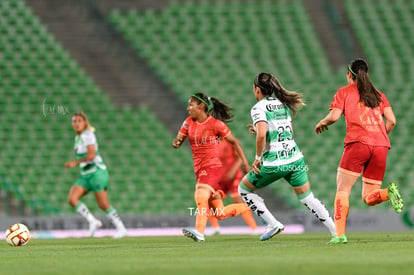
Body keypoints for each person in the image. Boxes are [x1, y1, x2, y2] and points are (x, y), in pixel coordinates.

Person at [238, 72, 336, 241]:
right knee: (307, 198)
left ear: (257, 90)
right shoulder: (283, 105)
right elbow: (288, 131)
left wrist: (257, 158)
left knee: (244, 190)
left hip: (274, 162)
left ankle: (273, 224)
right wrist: (263, 131)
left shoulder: (258, 108)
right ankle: (336, 232)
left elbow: (262, 136)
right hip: (295, 159)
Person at [315, 58, 404, 244]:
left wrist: (322, 122)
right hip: (381, 146)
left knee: (343, 190)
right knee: (368, 197)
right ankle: (388, 192)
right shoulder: (378, 94)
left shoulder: (344, 92)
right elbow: (392, 121)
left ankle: (339, 235)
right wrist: (378, 136)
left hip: (358, 144)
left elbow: (334, 116)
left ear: (349, 75)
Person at [173, 93, 251, 242]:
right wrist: (177, 142)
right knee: (219, 213)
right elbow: (178, 139)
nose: (188, 108)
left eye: (191, 104)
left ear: (201, 106)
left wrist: (246, 163)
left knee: (200, 195)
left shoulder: (216, 124)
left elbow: (235, 142)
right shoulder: (188, 122)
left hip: (212, 167)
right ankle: (252, 206)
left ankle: (199, 233)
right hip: (199, 169)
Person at [65, 112, 127, 238]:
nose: (76, 124)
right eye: (74, 121)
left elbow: (92, 155)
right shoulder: (77, 138)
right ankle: (92, 221)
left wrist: (75, 163)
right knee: (72, 199)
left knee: (103, 204)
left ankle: (121, 228)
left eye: (79, 121)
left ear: (85, 123)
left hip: (97, 173)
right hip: (85, 175)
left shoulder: (88, 135)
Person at [206, 139, 259, 235]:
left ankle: (254, 228)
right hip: (222, 178)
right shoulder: (212, 143)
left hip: (234, 176)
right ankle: (215, 228)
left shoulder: (230, 141)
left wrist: (233, 171)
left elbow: (240, 158)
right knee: (210, 199)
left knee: (238, 200)